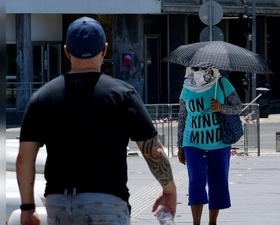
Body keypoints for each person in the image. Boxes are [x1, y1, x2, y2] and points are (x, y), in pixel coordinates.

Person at [16, 16, 177, 225]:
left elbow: (24, 158)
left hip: (59, 204)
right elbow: (153, 151)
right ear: (105, 49)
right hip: (107, 203)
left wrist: (27, 208)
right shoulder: (123, 95)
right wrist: (169, 190)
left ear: (66, 51)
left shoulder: (42, 97)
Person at [177, 67, 242, 225]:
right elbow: (182, 118)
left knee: (218, 181)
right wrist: (180, 145)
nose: (200, 70)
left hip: (219, 142)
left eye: (204, 67)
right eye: (195, 67)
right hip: (192, 142)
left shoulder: (222, 83)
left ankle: (212, 222)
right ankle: (196, 223)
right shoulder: (187, 87)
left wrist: (221, 108)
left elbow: (239, 107)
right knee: (196, 180)